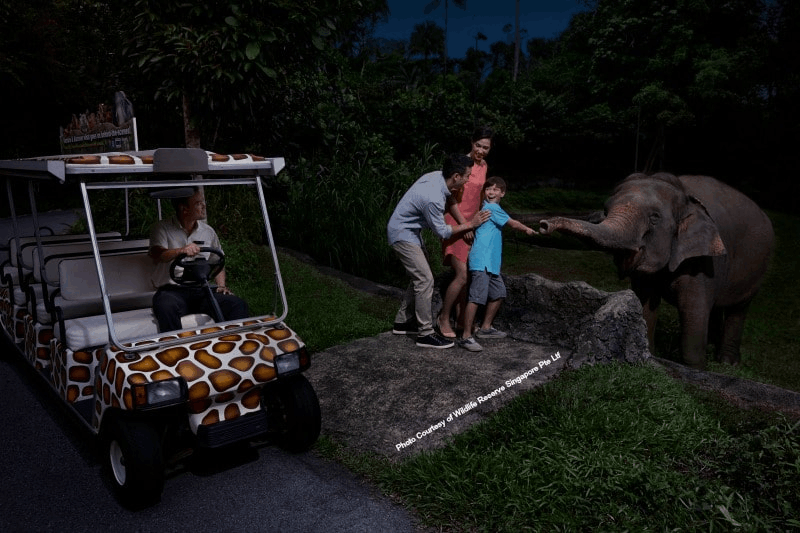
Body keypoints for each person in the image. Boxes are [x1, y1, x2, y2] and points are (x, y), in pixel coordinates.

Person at [387, 154, 491, 349]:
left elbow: (450, 199)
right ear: (456, 177)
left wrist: (464, 223)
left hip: (410, 231)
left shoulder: (438, 176)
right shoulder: (432, 198)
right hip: (402, 234)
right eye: (467, 176)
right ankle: (425, 333)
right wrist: (471, 224)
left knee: (419, 276)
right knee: (425, 279)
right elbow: (443, 232)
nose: (469, 180)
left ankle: (402, 322)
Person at [149, 186, 249, 333]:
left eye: (203, 202)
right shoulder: (162, 228)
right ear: (184, 209)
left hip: (201, 290)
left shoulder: (208, 231)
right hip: (172, 291)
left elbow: (218, 261)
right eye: (198, 203)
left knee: (237, 304)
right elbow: (158, 254)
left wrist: (221, 285)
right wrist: (180, 251)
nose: (204, 206)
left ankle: (233, 346)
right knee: (165, 306)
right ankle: (174, 350)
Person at [457, 176, 536, 352]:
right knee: (476, 298)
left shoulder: (493, 208)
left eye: (495, 189)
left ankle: (485, 328)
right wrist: (527, 229)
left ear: (502, 193)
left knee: (499, 292)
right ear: (485, 192)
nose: (491, 192)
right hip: (481, 261)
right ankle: (466, 336)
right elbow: (512, 223)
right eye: (488, 189)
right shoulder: (491, 208)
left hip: (491, 263)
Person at [437, 127, 494, 339]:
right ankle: (444, 318)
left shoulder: (484, 165)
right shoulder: (461, 162)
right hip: (456, 221)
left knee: (467, 274)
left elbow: (479, 198)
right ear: (471, 142)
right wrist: (466, 225)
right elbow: (449, 198)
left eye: (485, 147)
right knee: (461, 274)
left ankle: (461, 320)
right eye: (478, 145)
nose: (481, 150)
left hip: (474, 222)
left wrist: (480, 222)